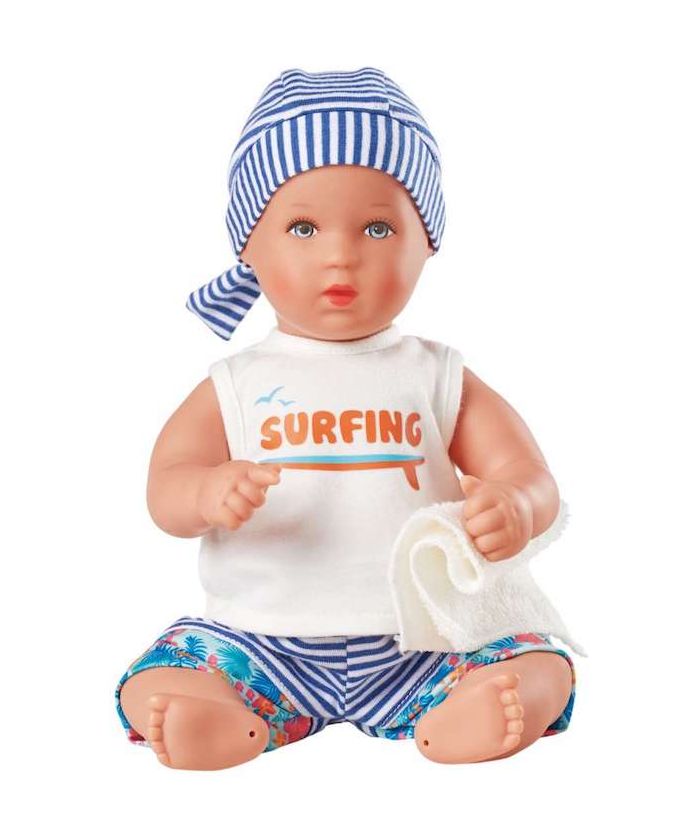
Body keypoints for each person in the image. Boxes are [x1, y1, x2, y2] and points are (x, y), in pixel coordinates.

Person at [115, 67, 576, 770]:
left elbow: (527, 471)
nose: (340, 254)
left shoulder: (436, 374)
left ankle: (463, 713)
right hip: (261, 644)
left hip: (425, 642)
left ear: (427, 241)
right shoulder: (237, 382)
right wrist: (204, 492)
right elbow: (165, 486)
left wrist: (516, 504)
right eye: (302, 227)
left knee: (540, 659)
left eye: (377, 227)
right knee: (161, 670)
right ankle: (226, 715)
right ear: (248, 244)